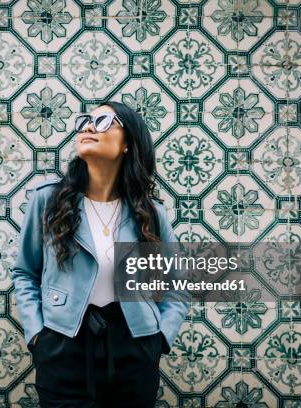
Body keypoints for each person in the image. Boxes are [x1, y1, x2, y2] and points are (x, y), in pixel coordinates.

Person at [10, 101, 189, 407]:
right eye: (86, 121)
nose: (89, 127)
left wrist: (161, 337)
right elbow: (25, 272)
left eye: (105, 121)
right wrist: (37, 335)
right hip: (62, 346)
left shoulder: (150, 212)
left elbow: (177, 283)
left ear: (127, 145)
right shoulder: (48, 201)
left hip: (135, 348)